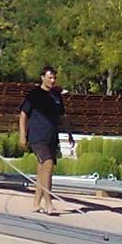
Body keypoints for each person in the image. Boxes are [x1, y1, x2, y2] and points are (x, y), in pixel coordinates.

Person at [19, 65, 72, 214]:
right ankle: (49, 204)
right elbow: (23, 114)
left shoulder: (56, 95)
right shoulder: (34, 95)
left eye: (54, 78)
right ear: (42, 78)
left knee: (43, 170)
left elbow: (62, 116)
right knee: (48, 165)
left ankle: (36, 204)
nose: (53, 80)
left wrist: (69, 133)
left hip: (52, 138)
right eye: (50, 77)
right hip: (37, 137)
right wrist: (22, 135)